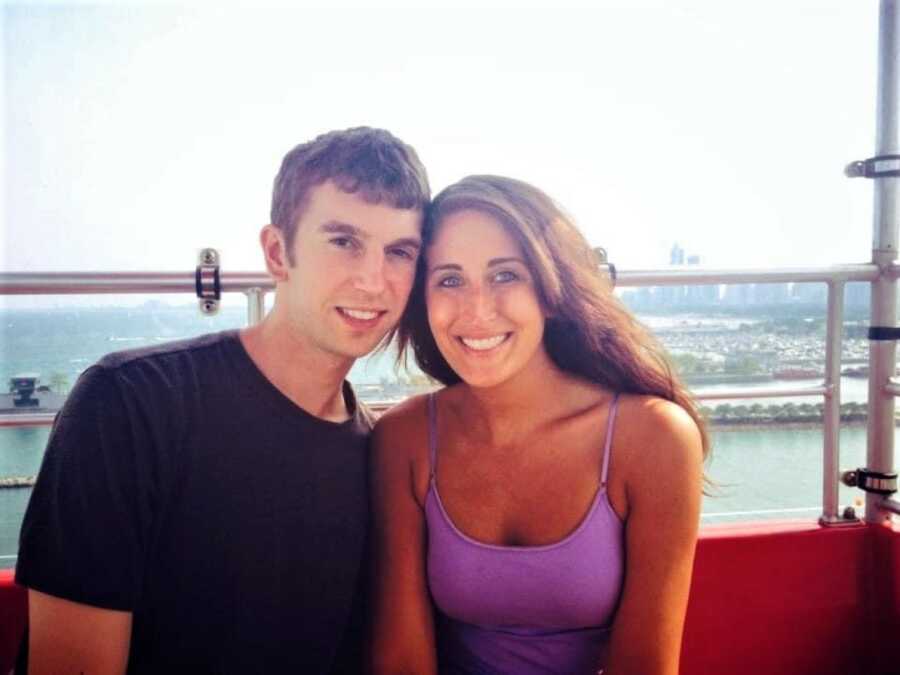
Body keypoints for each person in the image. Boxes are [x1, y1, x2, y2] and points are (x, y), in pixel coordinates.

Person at [15, 127, 430, 674]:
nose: (374, 281)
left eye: (399, 251)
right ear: (278, 253)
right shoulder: (131, 406)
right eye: (344, 241)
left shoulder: (379, 451)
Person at [369, 175, 707, 675]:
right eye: (449, 279)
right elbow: (402, 659)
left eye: (506, 275)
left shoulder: (653, 438)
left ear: (551, 290)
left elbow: (645, 666)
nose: (477, 310)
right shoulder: (406, 438)